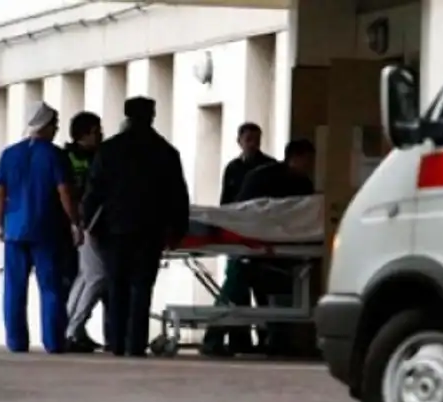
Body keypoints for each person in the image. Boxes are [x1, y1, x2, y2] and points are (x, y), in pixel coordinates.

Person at [82, 96, 189, 357]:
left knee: (116, 284)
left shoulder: (109, 150)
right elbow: (177, 195)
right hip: (151, 229)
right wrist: (177, 230)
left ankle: (117, 342)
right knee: (141, 286)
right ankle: (135, 343)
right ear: (152, 116)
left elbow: (94, 191)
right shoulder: (165, 152)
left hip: (114, 228)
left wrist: (88, 224)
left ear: (127, 116)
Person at [0, 101, 83, 354]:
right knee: (51, 286)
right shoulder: (55, 156)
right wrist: (75, 222)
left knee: (14, 287)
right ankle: (53, 341)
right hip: (48, 230)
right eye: (55, 124)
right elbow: (64, 193)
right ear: (46, 125)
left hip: (15, 230)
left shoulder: (9, 154)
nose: (57, 129)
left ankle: (16, 341)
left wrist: (1, 223)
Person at [200, 122, 276, 357]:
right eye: (248, 139)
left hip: (260, 232)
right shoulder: (233, 169)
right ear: (239, 141)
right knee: (238, 291)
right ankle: (238, 339)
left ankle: (266, 338)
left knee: (261, 289)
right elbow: (226, 202)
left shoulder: (269, 168)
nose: (252, 144)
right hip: (237, 234)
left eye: (256, 139)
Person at [235, 139, 316, 356]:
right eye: (307, 160)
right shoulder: (264, 177)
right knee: (252, 290)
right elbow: (244, 210)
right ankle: (266, 339)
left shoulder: (299, 182)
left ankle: (274, 340)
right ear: (296, 158)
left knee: (273, 292)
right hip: (256, 241)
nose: (310, 166)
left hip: (276, 245)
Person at [63, 112, 110, 353]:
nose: (101, 135)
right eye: (96, 131)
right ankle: (73, 328)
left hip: (82, 222)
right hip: (87, 222)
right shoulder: (89, 159)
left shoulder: (68, 156)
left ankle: (69, 327)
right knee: (97, 276)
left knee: (85, 276)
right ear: (85, 134)